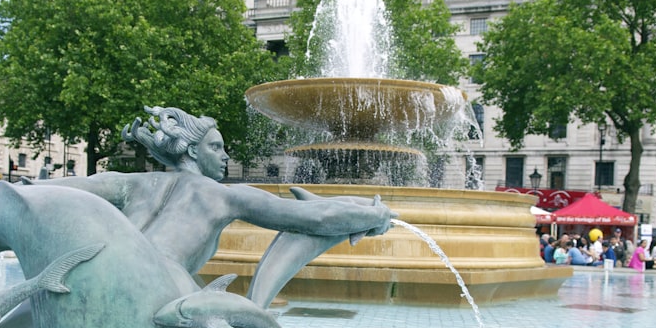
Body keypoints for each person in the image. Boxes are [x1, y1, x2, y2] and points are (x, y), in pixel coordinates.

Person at [29, 105, 393, 279]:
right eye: (216, 148)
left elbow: (62, 191)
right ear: (191, 151)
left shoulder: (129, 182)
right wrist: (374, 214)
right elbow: (315, 216)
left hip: (100, 277)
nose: (226, 155)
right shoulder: (222, 194)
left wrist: (25, 186)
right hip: (160, 291)